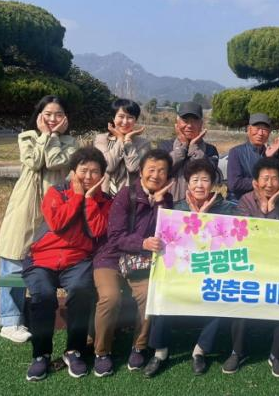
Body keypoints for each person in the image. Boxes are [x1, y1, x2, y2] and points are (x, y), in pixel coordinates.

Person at [23, 147, 111, 381]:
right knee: (43, 295)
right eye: (83, 170)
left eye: (95, 171)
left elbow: (97, 230)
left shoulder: (105, 200)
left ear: (102, 175)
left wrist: (89, 200)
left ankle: (74, 351)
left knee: (81, 290)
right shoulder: (56, 192)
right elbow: (57, 223)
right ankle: (41, 354)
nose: (88, 176)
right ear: (73, 171)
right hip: (42, 258)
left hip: (78, 260)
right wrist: (77, 196)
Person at [143, 158, 237, 378]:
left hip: (213, 271)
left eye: (205, 180)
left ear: (213, 184)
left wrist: (205, 218)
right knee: (163, 291)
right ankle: (160, 351)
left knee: (221, 294)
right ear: (187, 183)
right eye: (195, 180)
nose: (199, 185)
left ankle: (200, 350)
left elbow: (233, 240)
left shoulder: (227, 209)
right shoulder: (177, 209)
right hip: (182, 272)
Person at [0, 95, 77, 343]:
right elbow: (33, 161)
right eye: (48, 114)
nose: (53, 118)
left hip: (54, 205)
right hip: (26, 203)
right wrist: (45, 136)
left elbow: (53, 162)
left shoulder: (71, 143)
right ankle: (10, 321)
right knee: (14, 255)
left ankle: (40, 311)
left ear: (66, 118)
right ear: (39, 115)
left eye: (58, 114)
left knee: (45, 258)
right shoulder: (27, 137)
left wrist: (51, 137)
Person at [91, 149, 174, 377]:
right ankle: (102, 351)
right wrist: (143, 242)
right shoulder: (125, 195)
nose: (155, 175)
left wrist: (158, 203)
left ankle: (139, 346)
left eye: (162, 171)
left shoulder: (166, 200)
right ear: (140, 171)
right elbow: (115, 236)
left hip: (141, 262)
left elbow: (165, 232)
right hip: (111, 258)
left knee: (149, 294)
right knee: (110, 297)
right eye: (151, 169)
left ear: (168, 176)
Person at [232, 157, 279, 378]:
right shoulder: (245, 201)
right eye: (265, 178)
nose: (269, 184)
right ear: (256, 181)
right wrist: (263, 208)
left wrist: (271, 208)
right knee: (240, 299)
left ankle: (276, 355)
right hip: (249, 265)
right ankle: (237, 351)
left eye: (274, 179)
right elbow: (245, 234)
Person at [160, 101, 219, 202]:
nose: (189, 125)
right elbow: (163, 171)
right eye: (185, 121)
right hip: (168, 205)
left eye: (194, 121)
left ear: (201, 124)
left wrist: (194, 148)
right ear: (177, 123)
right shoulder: (165, 146)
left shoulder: (210, 150)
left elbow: (209, 174)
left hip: (198, 206)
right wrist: (182, 148)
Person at [94, 98, 150, 197]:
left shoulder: (143, 144)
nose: (125, 121)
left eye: (130, 117)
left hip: (129, 197)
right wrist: (120, 139)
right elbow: (108, 166)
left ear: (135, 120)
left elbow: (133, 168)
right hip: (102, 195)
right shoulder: (101, 140)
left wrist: (127, 141)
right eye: (121, 116)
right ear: (113, 118)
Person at [226, 113, 279, 202]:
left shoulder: (272, 154)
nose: (260, 133)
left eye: (264, 130)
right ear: (249, 129)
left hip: (264, 203)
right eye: (257, 128)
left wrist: (269, 158)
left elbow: (276, 182)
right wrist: (261, 182)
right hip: (238, 202)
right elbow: (234, 184)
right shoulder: (236, 152)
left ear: (269, 133)